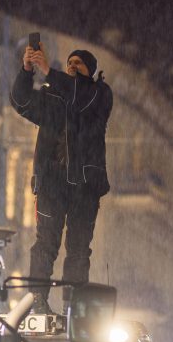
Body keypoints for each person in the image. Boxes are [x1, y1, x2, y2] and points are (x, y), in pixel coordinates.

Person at [9, 41, 113, 314]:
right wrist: (27, 70)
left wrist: (50, 72)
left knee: (78, 248)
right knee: (45, 243)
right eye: (69, 64)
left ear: (90, 71)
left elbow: (80, 97)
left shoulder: (99, 94)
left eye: (78, 64)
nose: (72, 68)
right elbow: (20, 102)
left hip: (85, 186)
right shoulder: (52, 95)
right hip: (52, 183)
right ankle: (38, 302)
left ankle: (74, 307)